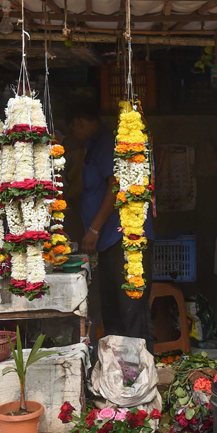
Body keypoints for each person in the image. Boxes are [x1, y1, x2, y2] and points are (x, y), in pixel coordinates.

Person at [66, 104, 156, 352]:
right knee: (113, 308)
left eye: (72, 128)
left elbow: (115, 186)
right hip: (108, 241)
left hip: (124, 238)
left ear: (79, 122)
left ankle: (139, 370)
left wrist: (94, 229)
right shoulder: (94, 145)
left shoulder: (106, 142)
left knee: (131, 308)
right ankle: (118, 367)